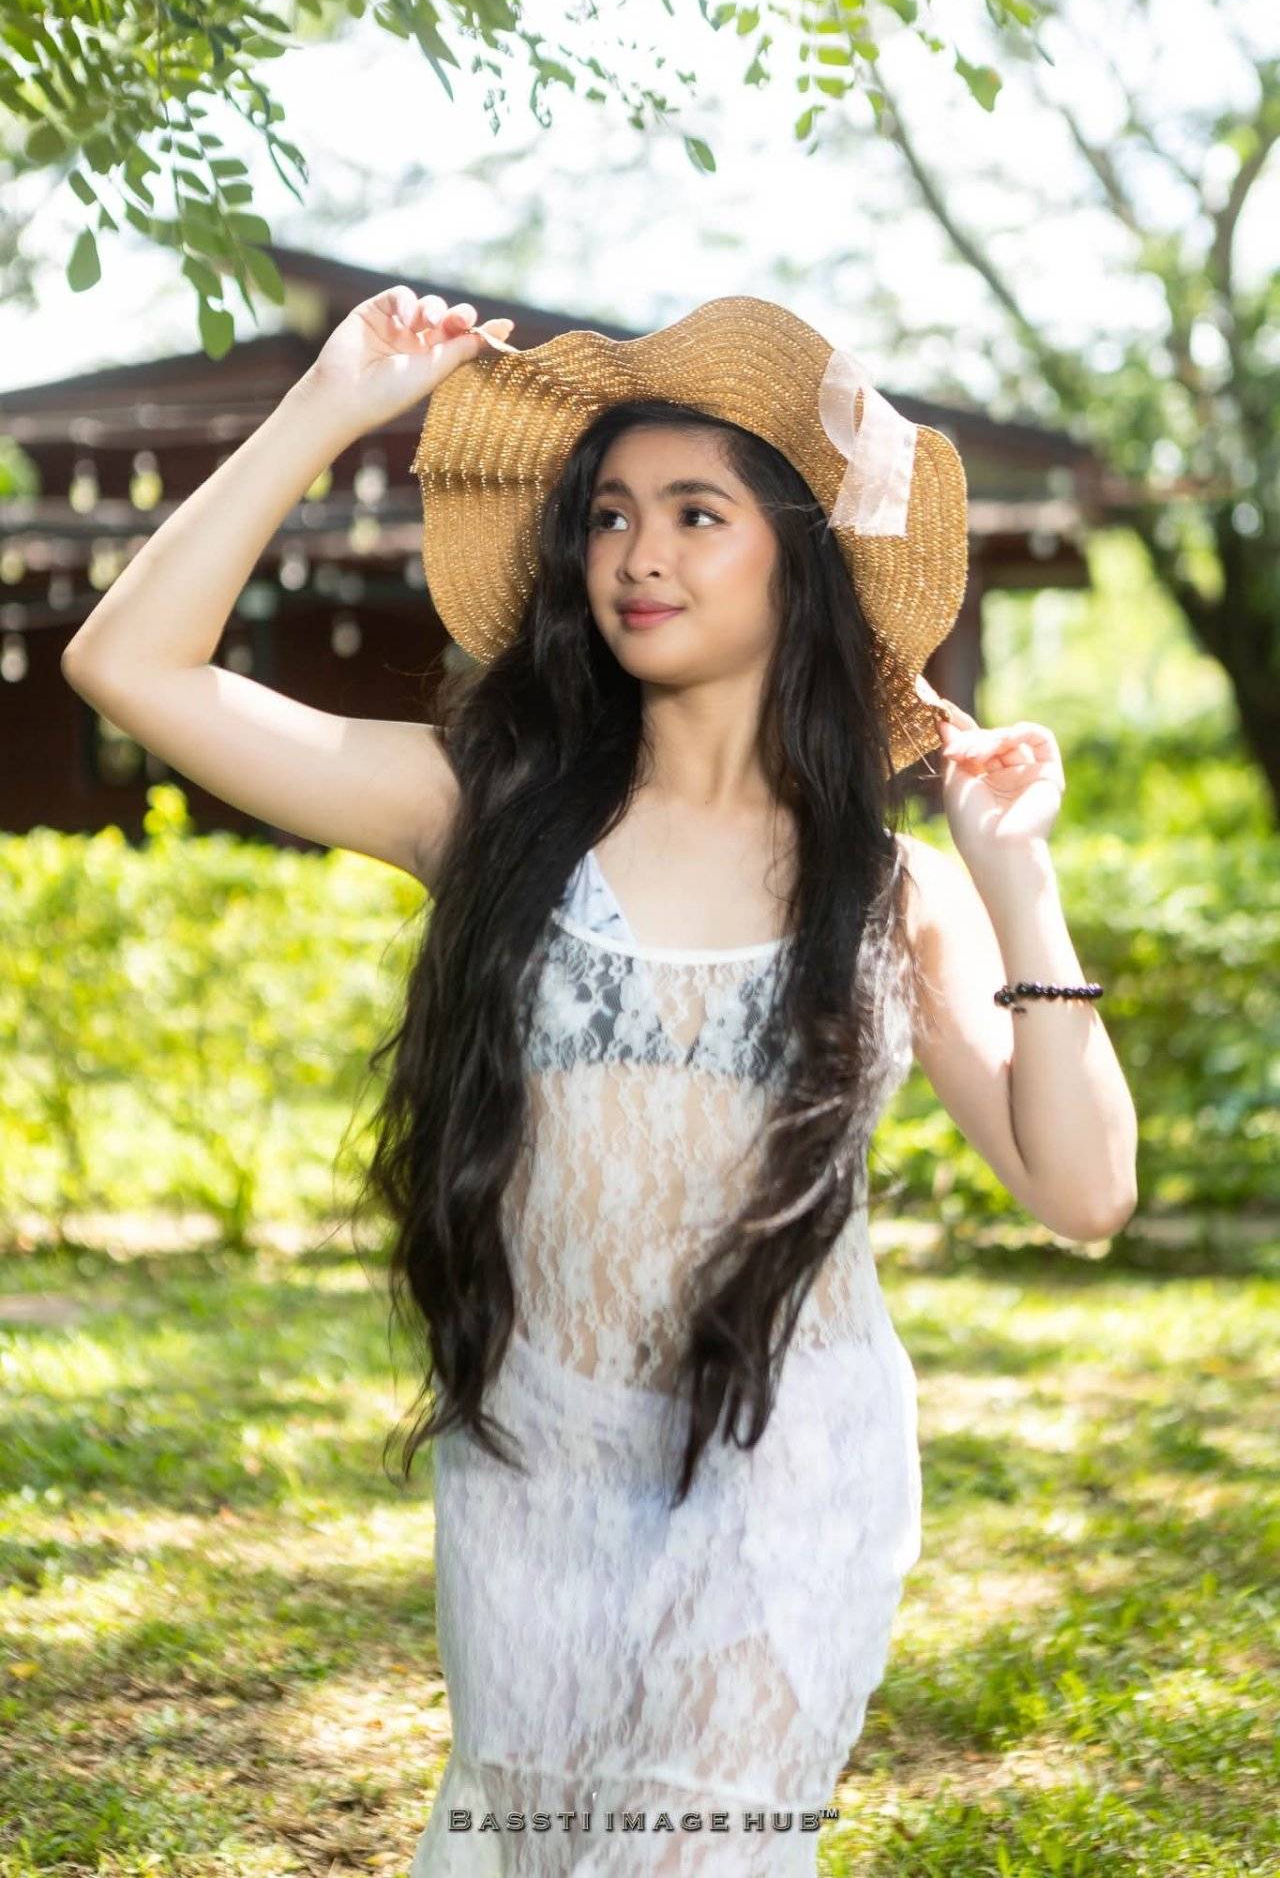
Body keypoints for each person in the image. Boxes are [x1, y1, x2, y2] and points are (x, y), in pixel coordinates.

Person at [60, 288, 1140, 1875]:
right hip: (532, 1460)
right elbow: (130, 665)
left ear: (800, 561)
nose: (639, 553)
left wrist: (1017, 878)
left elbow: (1086, 1192)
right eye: (612, 515)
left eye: (698, 514)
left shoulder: (889, 888)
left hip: (790, 1454)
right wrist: (330, 403)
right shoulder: (483, 811)